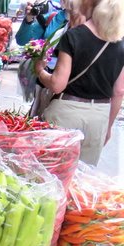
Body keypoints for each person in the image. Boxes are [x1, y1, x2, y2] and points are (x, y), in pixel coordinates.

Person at [34, 0, 124, 165]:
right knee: (81, 180)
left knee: (50, 172)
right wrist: (108, 126)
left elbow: (57, 84)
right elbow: (119, 91)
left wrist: (40, 71)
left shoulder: (74, 36)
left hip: (67, 113)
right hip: (99, 117)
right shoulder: (120, 42)